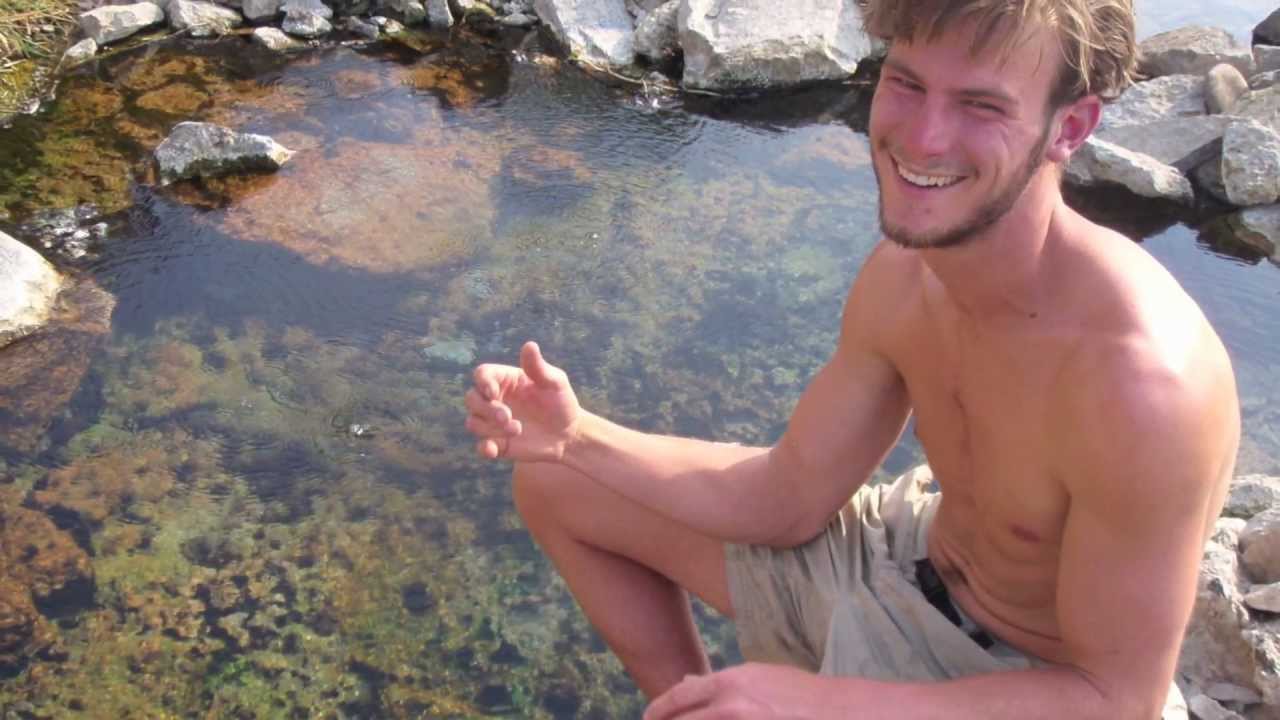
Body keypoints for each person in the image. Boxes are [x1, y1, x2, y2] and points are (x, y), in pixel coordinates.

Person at [463, 0, 1241, 716]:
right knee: (561, 480)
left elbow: (1113, 700)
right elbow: (788, 498)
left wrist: (815, 703)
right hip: (902, 559)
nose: (923, 138)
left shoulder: (1140, 384)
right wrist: (575, 436)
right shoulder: (907, 275)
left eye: (981, 106)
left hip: (1017, 680)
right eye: (906, 83)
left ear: (1069, 128)